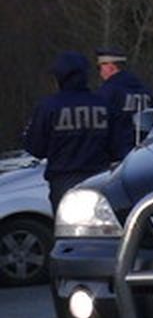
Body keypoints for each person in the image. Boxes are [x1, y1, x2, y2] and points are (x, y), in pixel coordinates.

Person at [24, 51, 131, 211]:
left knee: (66, 231)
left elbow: (35, 147)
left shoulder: (48, 107)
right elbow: (120, 148)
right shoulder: (104, 105)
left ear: (60, 77)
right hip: (100, 179)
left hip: (63, 181)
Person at [95, 46, 153, 119]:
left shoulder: (108, 91)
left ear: (110, 67)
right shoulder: (145, 90)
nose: (100, 72)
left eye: (99, 67)